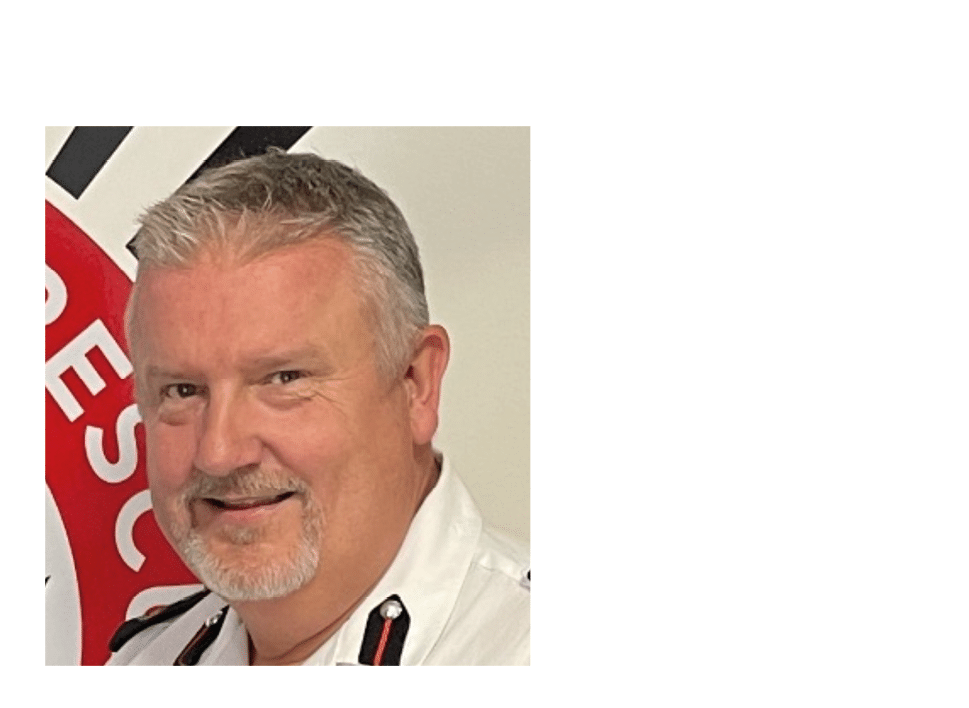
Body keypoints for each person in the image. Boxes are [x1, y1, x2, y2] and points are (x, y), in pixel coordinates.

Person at [107, 150, 529, 665]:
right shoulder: (147, 659)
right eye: (182, 391)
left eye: (283, 379)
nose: (218, 452)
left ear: (416, 382)